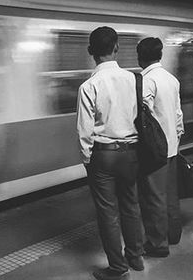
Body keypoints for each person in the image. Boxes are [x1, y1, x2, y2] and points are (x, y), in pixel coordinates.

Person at [77, 26, 144, 280]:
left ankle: (118, 267)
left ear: (90, 52)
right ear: (117, 48)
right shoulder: (132, 79)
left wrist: (87, 160)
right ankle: (135, 258)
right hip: (131, 153)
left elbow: (84, 131)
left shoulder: (89, 86)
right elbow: (138, 117)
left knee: (108, 212)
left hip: (103, 154)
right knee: (131, 205)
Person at [136, 37, 184, 257]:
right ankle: (173, 234)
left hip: (155, 148)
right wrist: (177, 137)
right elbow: (177, 115)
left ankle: (157, 244)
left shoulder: (146, 81)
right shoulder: (171, 79)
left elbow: (144, 117)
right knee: (170, 194)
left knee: (153, 196)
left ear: (140, 57)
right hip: (172, 145)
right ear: (160, 55)